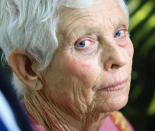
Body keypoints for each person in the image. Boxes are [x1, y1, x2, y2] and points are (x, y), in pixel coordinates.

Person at [0, 0, 134, 130]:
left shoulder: (115, 123)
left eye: (119, 33)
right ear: (29, 69)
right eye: (84, 43)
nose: (120, 58)